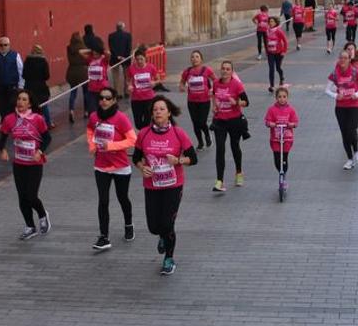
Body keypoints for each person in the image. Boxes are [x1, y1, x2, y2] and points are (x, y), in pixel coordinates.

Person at [133, 96, 197, 276]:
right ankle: (161, 236)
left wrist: (178, 160)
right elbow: (136, 157)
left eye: (162, 109)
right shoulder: (144, 133)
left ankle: (169, 258)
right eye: (155, 110)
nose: (158, 112)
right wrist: (142, 168)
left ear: (169, 113)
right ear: (151, 114)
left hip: (173, 186)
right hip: (152, 186)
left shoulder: (178, 133)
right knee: (154, 226)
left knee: (167, 223)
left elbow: (193, 158)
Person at [0, 90, 53, 240]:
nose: (20, 102)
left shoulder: (38, 119)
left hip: (35, 163)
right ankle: (30, 226)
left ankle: (42, 215)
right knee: (22, 197)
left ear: (29, 103)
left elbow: (47, 138)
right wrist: (2, 150)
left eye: (24, 100)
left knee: (31, 195)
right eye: (19, 99)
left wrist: (40, 151)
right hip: (19, 164)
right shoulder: (9, 119)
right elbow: (2, 138)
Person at [87, 86, 137, 250]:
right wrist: (92, 145)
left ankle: (128, 224)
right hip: (101, 166)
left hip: (120, 166)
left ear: (114, 100)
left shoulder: (120, 118)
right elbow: (90, 131)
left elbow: (132, 140)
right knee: (103, 200)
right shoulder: (94, 117)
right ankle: (104, 237)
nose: (104, 101)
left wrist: (112, 145)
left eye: (108, 98)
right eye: (101, 98)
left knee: (123, 198)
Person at [211, 59, 249, 192]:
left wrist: (236, 103)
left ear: (232, 72)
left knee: (234, 146)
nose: (225, 71)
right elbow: (214, 96)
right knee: (220, 149)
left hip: (234, 120)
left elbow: (246, 102)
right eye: (223, 68)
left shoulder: (236, 85)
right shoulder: (216, 83)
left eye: (228, 69)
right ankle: (219, 181)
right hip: (220, 121)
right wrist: (214, 106)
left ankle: (239, 172)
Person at [327, 47, 358, 170]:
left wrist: (357, 94)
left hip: (354, 105)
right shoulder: (334, 73)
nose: (342, 60)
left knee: (351, 129)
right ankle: (350, 159)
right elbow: (327, 89)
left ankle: (356, 150)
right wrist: (336, 95)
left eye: (345, 58)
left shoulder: (354, 72)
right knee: (344, 133)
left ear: (349, 60)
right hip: (340, 107)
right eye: (341, 58)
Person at [178, 49, 216, 149]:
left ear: (201, 59)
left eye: (197, 57)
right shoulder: (187, 71)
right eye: (192, 57)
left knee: (202, 122)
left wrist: (212, 89)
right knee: (195, 123)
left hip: (204, 101)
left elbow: (215, 81)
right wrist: (182, 87)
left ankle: (207, 135)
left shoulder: (207, 70)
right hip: (192, 101)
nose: (194, 59)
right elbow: (182, 82)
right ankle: (200, 142)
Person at [263, 85, 299, 189]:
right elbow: (267, 121)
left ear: (287, 97)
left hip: (287, 139)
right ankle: (280, 172)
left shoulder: (291, 110)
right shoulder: (272, 110)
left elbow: (295, 122)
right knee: (277, 159)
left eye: (284, 96)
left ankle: (284, 177)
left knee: (284, 158)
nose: (282, 99)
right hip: (275, 139)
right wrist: (271, 124)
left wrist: (291, 124)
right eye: (279, 97)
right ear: (276, 98)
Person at [127, 45, 161, 129]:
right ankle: (144, 133)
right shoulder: (131, 69)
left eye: (141, 59)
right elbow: (128, 80)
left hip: (149, 98)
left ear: (145, 58)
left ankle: (145, 138)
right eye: (137, 59)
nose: (139, 61)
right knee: (138, 124)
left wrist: (154, 83)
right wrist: (129, 85)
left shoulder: (151, 67)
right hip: (136, 99)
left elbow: (158, 79)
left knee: (147, 121)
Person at [23, 43, 52, 127]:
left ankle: (30, 124)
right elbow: (47, 76)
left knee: (30, 107)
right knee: (44, 106)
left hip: (29, 87)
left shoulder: (27, 61)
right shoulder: (43, 61)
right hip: (41, 87)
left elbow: (24, 75)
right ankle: (48, 123)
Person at [65, 32, 90, 124]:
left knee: (73, 92)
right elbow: (87, 59)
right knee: (86, 92)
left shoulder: (69, 48)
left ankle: (71, 110)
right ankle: (86, 111)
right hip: (83, 71)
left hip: (72, 71)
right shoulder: (84, 48)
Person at [108, 21, 133, 97]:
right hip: (126, 58)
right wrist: (124, 57)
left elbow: (111, 47)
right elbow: (129, 47)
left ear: (116, 27)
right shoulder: (128, 35)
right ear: (123, 27)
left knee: (116, 76)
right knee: (126, 76)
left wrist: (117, 56)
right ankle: (126, 92)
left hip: (114, 58)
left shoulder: (111, 36)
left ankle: (117, 93)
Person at [84, 47, 111, 115]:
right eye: (94, 54)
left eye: (96, 54)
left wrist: (102, 50)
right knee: (92, 111)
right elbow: (80, 52)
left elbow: (108, 54)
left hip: (102, 88)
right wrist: (91, 50)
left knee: (103, 109)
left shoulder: (104, 60)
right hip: (92, 89)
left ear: (100, 54)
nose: (95, 56)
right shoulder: (90, 60)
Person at [265, 15, 288, 92]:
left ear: (276, 22)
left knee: (278, 68)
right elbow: (266, 41)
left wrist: (284, 51)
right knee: (271, 69)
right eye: (269, 22)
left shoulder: (278, 31)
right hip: (270, 53)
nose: (270, 23)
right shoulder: (267, 31)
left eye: (272, 21)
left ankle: (281, 77)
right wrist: (266, 50)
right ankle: (272, 86)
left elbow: (285, 41)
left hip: (278, 52)